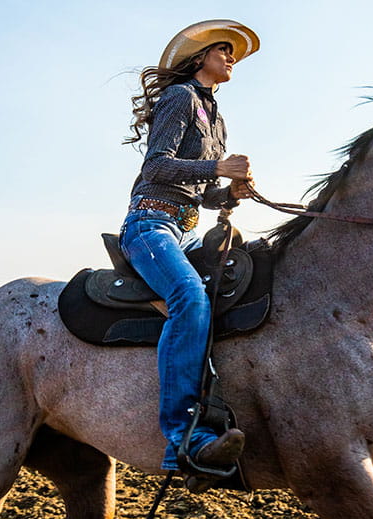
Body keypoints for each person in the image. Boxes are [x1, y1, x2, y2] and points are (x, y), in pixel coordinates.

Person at [119, 20, 259, 475]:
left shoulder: (217, 117)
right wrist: (218, 166)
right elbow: (156, 167)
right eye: (223, 50)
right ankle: (183, 437)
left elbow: (202, 193)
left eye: (232, 53)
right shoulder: (180, 97)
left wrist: (228, 193)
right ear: (200, 58)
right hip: (150, 224)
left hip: (188, 228)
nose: (231, 57)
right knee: (189, 296)